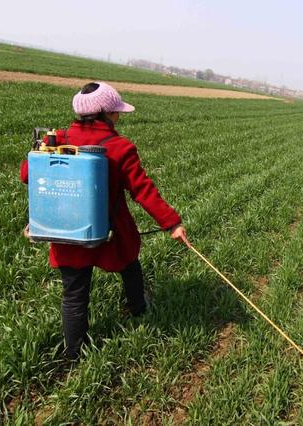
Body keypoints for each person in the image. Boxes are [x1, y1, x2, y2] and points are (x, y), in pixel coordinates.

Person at [20, 82, 189, 359]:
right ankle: (138, 308)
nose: (119, 117)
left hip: (66, 230)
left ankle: (74, 354)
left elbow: (27, 175)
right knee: (130, 264)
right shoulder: (120, 147)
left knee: (74, 295)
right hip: (110, 231)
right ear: (106, 114)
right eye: (116, 112)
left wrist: (41, 148)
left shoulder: (57, 139)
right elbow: (143, 190)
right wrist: (171, 223)